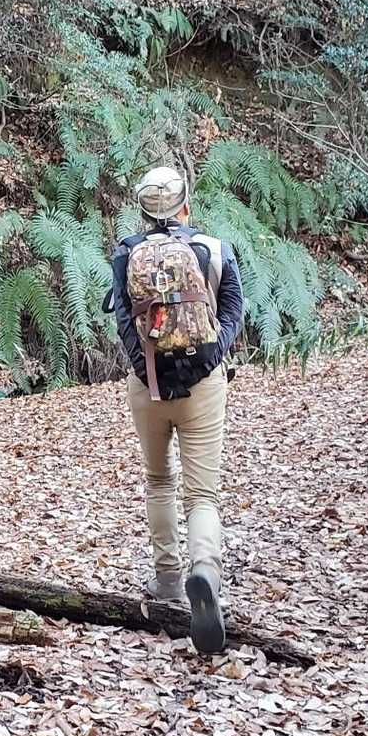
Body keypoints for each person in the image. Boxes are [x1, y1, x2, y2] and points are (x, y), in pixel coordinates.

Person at [105, 165, 243, 654]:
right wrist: (208, 357)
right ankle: (204, 571)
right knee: (202, 493)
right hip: (203, 387)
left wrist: (147, 371)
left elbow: (125, 324)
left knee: (159, 479)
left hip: (148, 389)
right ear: (186, 204)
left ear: (143, 210)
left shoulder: (126, 254)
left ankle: (166, 578)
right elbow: (233, 313)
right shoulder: (215, 250)